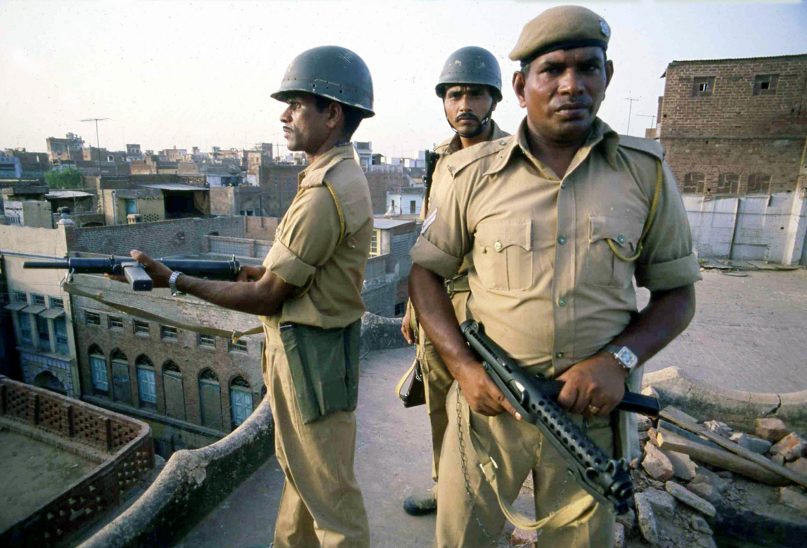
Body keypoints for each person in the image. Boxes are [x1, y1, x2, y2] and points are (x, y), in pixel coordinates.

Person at [408, 5, 700, 546]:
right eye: (553, 71)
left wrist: (619, 361)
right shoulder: (471, 174)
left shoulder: (645, 173)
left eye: (589, 68)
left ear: (607, 78)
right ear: (521, 87)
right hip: (489, 411)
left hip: (589, 419)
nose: (572, 85)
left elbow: (677, 294)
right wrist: (463, 366)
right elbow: (426, 273)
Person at [119, 46, 375, 547]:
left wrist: (176, 280)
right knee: (303, 479)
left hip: (311, 361)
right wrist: (234, 270)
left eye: (297, 104)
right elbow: (287, 273)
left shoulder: (325, 192)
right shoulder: (335, 176)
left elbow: (268, 295)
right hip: (312, 355)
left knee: (333, 506)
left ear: (333, 113)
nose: (284, 115)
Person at [399, 46, 509, 517]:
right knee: (439, 406)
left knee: (481, 411)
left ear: (495, 100)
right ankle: (446, 490)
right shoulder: (440, 159)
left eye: (476, 95)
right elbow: (430, 233)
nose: (464, 105)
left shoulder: (510, 157)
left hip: (480, 305)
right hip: (435, 302)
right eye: (455, 95)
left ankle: (479, 503)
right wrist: (412, 306)